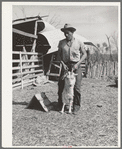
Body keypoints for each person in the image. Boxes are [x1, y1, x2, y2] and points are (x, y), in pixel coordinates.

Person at [57, 23, 87, 114]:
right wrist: (62, 63)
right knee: (61, 85)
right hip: (65, 66)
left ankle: (76, 106)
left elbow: (84, 54)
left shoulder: (79, 42)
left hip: (75, 65)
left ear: (72, 32)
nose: (66, 35)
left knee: (76, 87)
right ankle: (61, 104)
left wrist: (77, 64)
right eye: (65, 33)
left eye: (68, 33)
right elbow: (58, 55)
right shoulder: (61, 43)